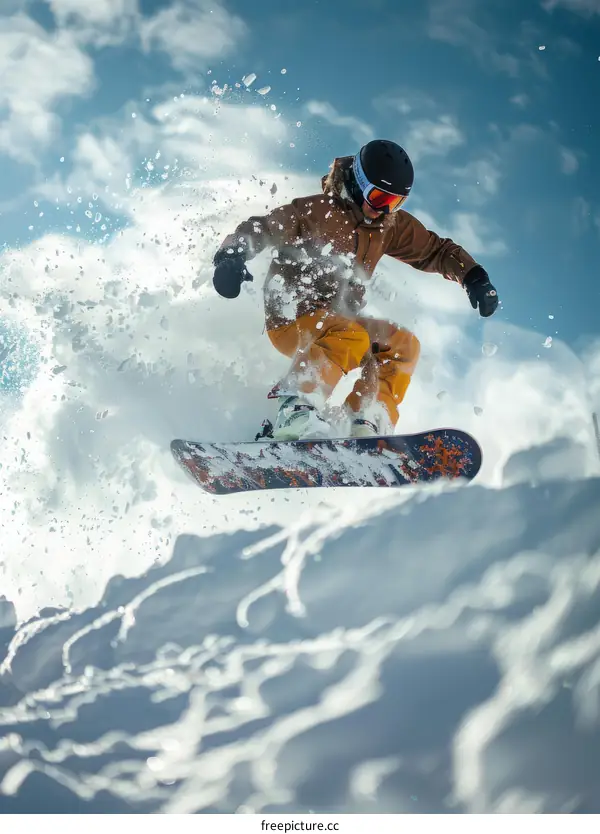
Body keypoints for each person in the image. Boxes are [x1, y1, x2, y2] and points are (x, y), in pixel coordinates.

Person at [211, 139, 499, 440]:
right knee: (351, 335)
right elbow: (264, 227)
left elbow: (435, 250)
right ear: (360, 183)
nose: (383, 209)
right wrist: (232, 256)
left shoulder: (387, 226)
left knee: (402, 346)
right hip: (291, 318)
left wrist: (473, 276)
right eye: (378, 197)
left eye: (394, 202)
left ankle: (365, 418)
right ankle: (295, 407)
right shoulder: (317, 212)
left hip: (339, 323)